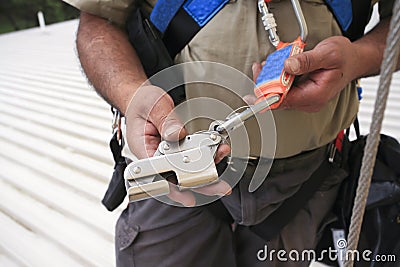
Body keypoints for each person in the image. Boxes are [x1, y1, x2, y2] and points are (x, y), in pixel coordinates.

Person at [64, 0, 398, 266]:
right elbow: (98, 20)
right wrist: (131, 93)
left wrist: (357, 58)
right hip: (171, 169)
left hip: (307, 179)